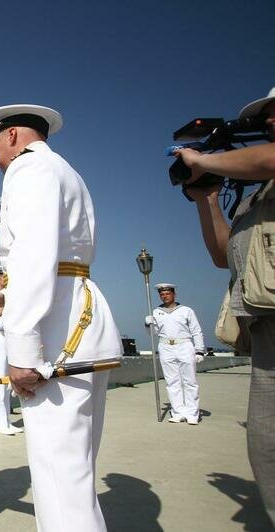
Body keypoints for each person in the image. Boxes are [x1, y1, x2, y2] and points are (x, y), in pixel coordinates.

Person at [0, 105, 122, 532]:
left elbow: (33, 255)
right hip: (78, 313)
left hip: (56, 331)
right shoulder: (67, 171)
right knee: (75, 472)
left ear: (12, 137)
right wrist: (9, 299)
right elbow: (55, 260)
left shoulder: (28, 169)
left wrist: (21, 350)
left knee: (60, 479)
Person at [175, 87, 275, 524]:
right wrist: (207, 199)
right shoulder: (257, 196)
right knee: (266, 447)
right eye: (266, 117)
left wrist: (202, 160)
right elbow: (222, 254)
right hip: (265, 331)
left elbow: (268, 159)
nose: (269, 122)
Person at [145, 283, 205, 424]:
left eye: (167, 293)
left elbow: (196, 331)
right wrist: (148, 324)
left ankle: (192, 413)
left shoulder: (186, 311)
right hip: (166, 346)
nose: (164, 296)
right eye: (162, 294)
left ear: (174, 294)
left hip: (184, 345)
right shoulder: (156, 312)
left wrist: (199, 350)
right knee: (172, 382)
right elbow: (153, 334)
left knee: (189, 381)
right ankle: (178, 412)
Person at [0, 267, 23, 436]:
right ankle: (2, 423)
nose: (7, 279)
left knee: (1, 383)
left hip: (3, 340)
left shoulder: (5, 297)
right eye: (4, 277)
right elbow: (1, 322)